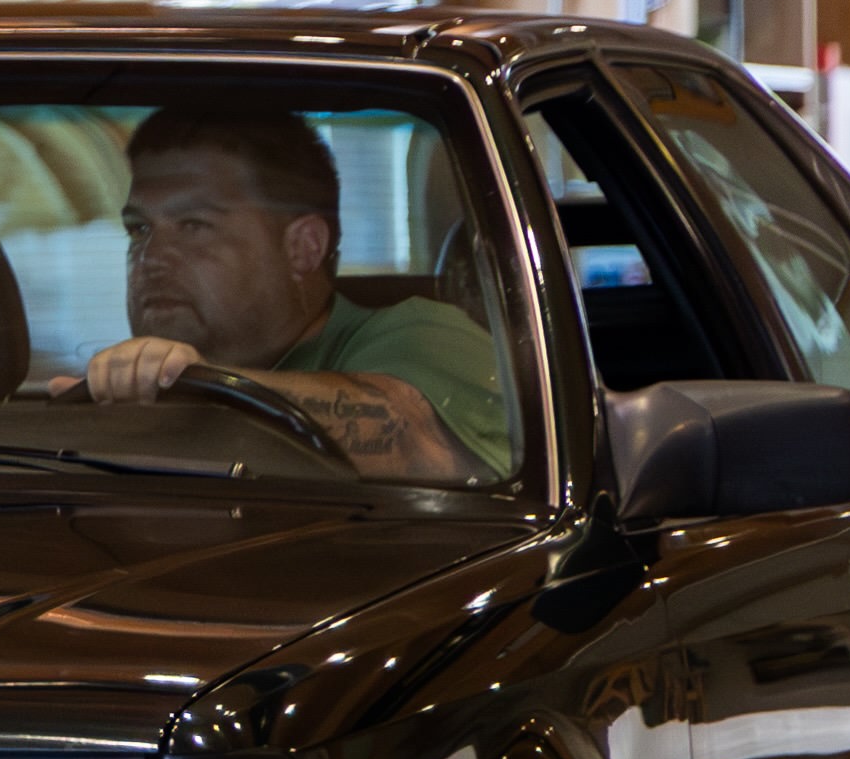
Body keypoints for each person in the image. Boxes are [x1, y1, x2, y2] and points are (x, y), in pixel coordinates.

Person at [69, 103, 517, 483]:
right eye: (139, 229)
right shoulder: (129, 385)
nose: (151, 258)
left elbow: (415, 438)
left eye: (194, 226)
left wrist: (194, 388)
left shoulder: (427, 334)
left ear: (303, 247)